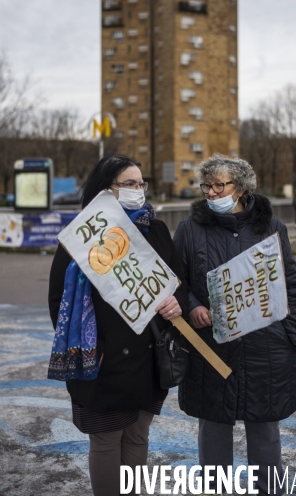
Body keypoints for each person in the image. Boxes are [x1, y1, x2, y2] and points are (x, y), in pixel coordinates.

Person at [48, 156, 188, 496]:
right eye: (129, 184)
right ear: (106, 190)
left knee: (138, 435)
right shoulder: (83, 236)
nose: (138, 191)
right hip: (102, 360)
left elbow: (176, 281)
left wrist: (176, 300)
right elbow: (59, 301)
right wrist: (92, 344)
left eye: (141, 184)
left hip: (149, 356)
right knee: (107, 439)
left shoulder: (155, 229)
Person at [173, 154, 296, 496]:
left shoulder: (272, 227)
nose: (212, 192)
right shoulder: (189, 230)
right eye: (207, 186)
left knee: (265, 433)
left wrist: (292, 333)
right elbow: (177, 282)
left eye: (220, 185)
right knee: (214, 430)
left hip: (267, 346)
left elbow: (291, 282)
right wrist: (193, 307)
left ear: (242, 188)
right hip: (212, 348)